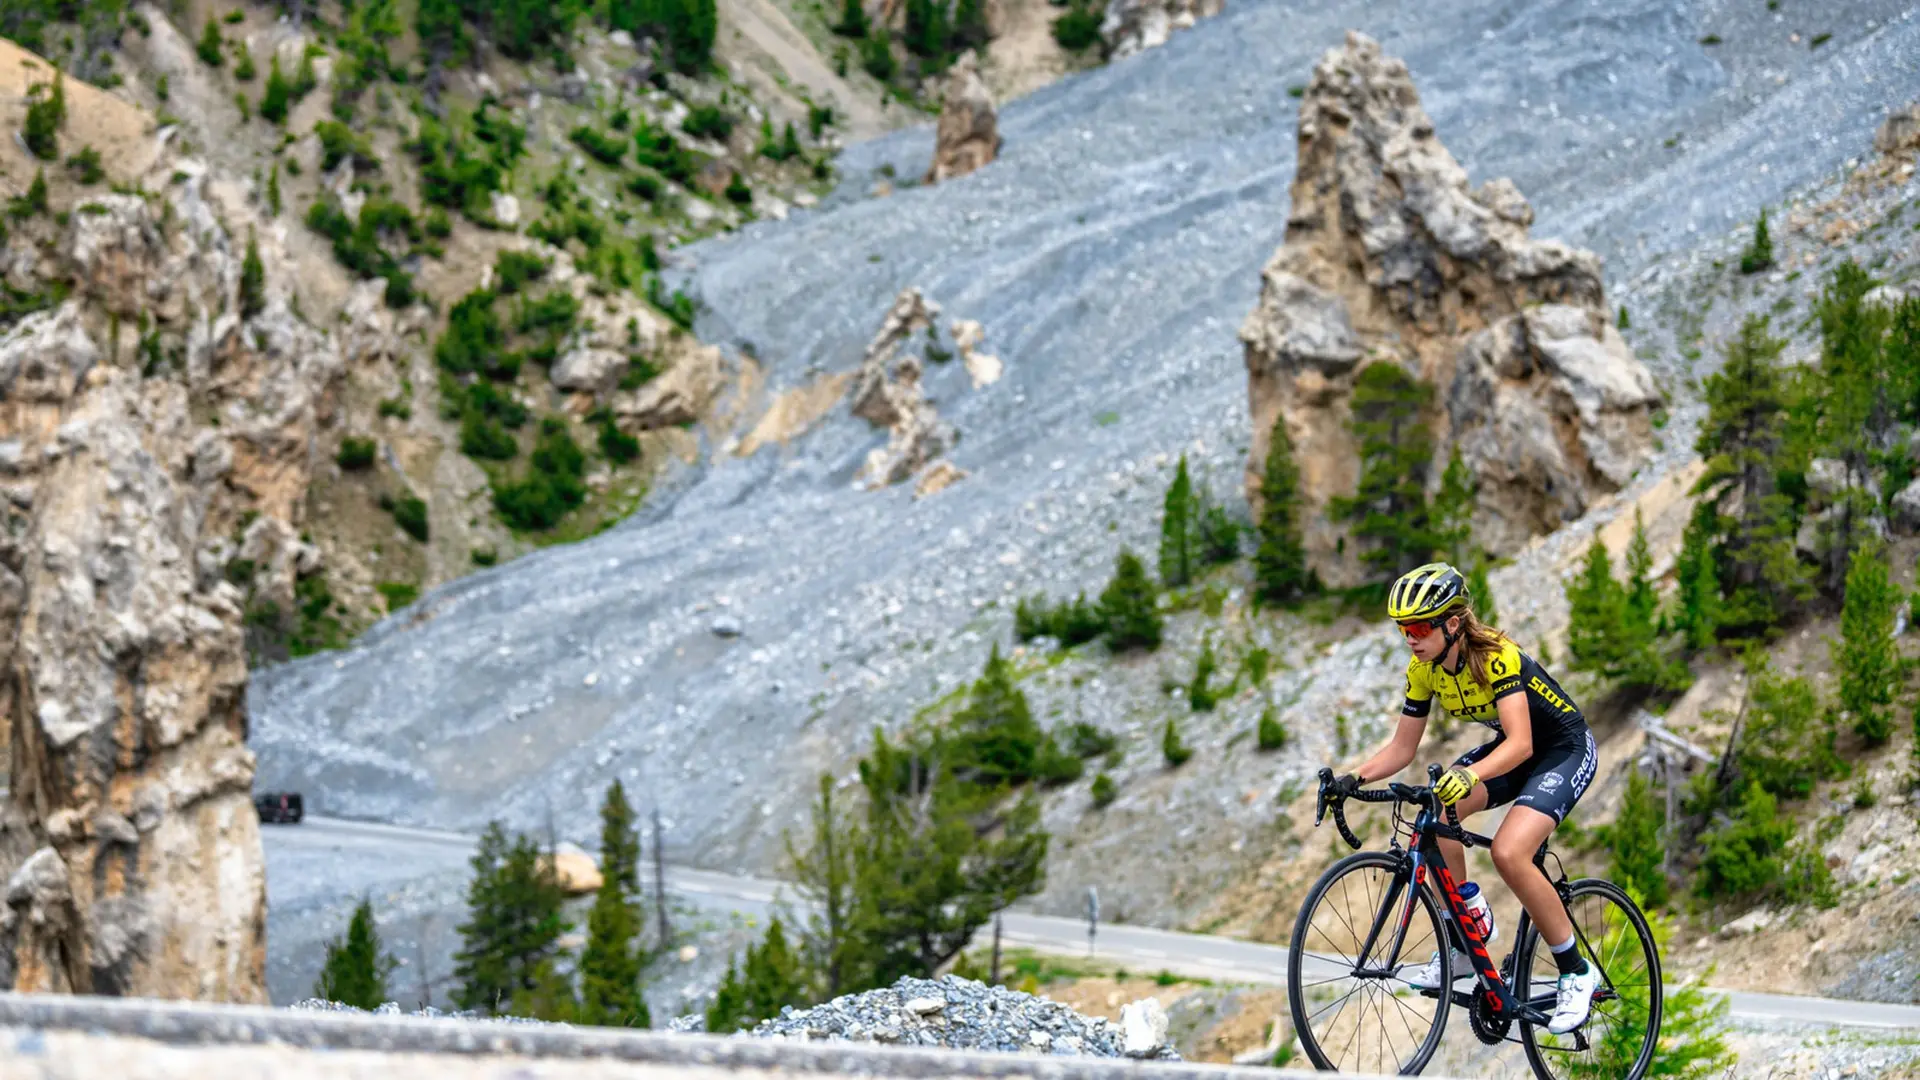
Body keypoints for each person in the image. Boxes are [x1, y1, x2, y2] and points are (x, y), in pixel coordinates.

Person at [1328, 562, 1600, 1035]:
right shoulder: (1423, 670)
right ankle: (1464, 936)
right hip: (1515, 751)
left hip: (1561, 748)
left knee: (1509, 852)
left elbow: (1521, 743)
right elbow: (1402, 748)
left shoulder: (1496, 655)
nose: (1409, 638)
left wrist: (1469, 773)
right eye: (1402, 630)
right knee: (1437, 808)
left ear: (1452, 624)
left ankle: (1577, 970)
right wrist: (1352, 777)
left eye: (1417, 627)